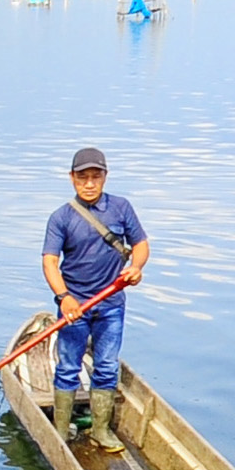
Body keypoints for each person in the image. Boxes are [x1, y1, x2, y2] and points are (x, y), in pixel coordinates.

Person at [38, 145, 149, 446]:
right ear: (72, 178)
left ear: (105, 177)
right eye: (82, 177)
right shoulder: (61, 217)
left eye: (95, 177)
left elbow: (140, 245)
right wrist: (64, 297)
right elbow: (49, 261)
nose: (89, 184)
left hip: (111, 305)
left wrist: (135, 268)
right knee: (68, 367)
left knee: (107, 366)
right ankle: (61, 431)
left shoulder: (122, 208)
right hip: (75, 307)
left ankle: (100, 430)